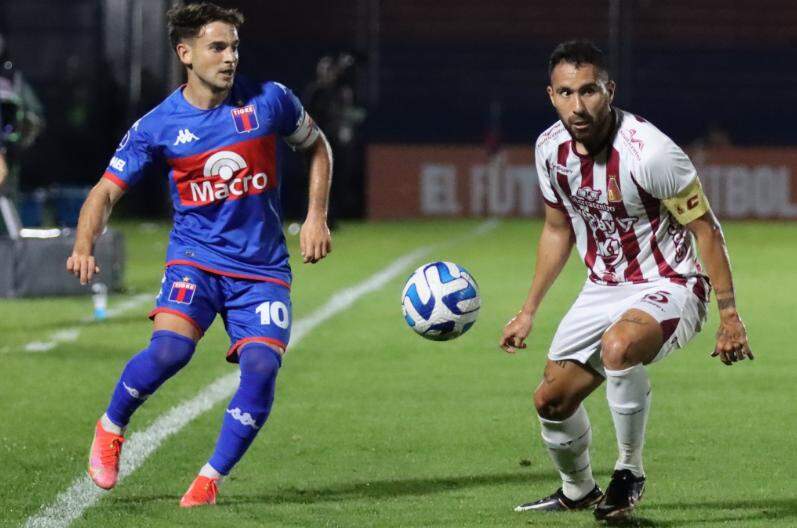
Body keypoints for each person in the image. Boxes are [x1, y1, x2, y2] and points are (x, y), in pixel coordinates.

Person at [66, 2, 333, 507]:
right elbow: (104, 192)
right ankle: (111, 425)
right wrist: (84, 244)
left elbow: (317, 146)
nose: (230, 57)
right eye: (217, 47)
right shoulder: (158, 126)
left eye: (234, 47)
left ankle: (208, 480)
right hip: (196, 258)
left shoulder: (270, 101)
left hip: (262, 270)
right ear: (185, 53)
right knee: (170, 351)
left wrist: (316, 215)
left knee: (260, 367)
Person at [500, 40, 752, 521]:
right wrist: (528, 309)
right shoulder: (549, 151)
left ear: (609, 91)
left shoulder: (650, 153)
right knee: (551, 400)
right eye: (566, 92)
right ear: (551, 95)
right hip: (601, 287)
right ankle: (578, 489)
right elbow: (557, 229)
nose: (579, 105)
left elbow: (707, 230)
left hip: (673, 282)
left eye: (589, 90)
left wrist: (729, 314)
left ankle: (628, 472)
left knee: (618, 347)